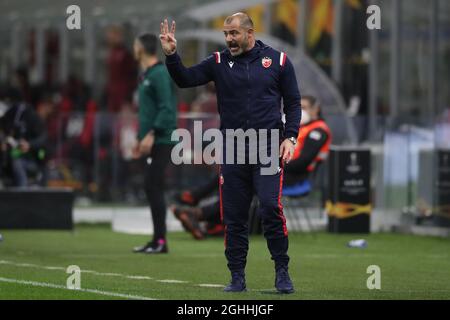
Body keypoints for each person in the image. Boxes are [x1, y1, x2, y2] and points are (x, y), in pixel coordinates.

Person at [160, 13, 301, 293]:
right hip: (234, 147)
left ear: (250, 33)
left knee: (271, 207)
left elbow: (293, 102)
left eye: (234, 33)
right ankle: (237, 276)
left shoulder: (279, 61)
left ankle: (282, 271)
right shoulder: (218, 62)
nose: (229, 39)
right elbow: (185, 79)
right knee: (234, 215)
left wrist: (291, 137)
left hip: (268, 146)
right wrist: (172, 55)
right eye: (226, 34)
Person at [132, 33, 177, 254]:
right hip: (151, 138)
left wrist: (151, 133)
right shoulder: (146, 74)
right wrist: (139, 138)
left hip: (162, 138)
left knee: (153, 186)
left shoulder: (159, 73)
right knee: (151, 187)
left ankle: (161, 241)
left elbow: (166, 107)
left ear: (141, 48)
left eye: (135, 44)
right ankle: (157, 239)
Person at [0, 88, 48, 187]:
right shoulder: (9, 117)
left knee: (16, 162)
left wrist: (29, 145)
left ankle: (22, 190)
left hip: (31, 159)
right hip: (11, 156)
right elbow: (5, 130)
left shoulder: (31, 117)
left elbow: (43, 141)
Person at [284, 95, 332, 188]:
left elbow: (303, 161)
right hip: (290, 172)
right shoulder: (304, 127)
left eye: (304, 108)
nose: (300, 111)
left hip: (299, 177)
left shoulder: (318, 130)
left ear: (316, 109)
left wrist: (279, 166)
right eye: (298, 107)